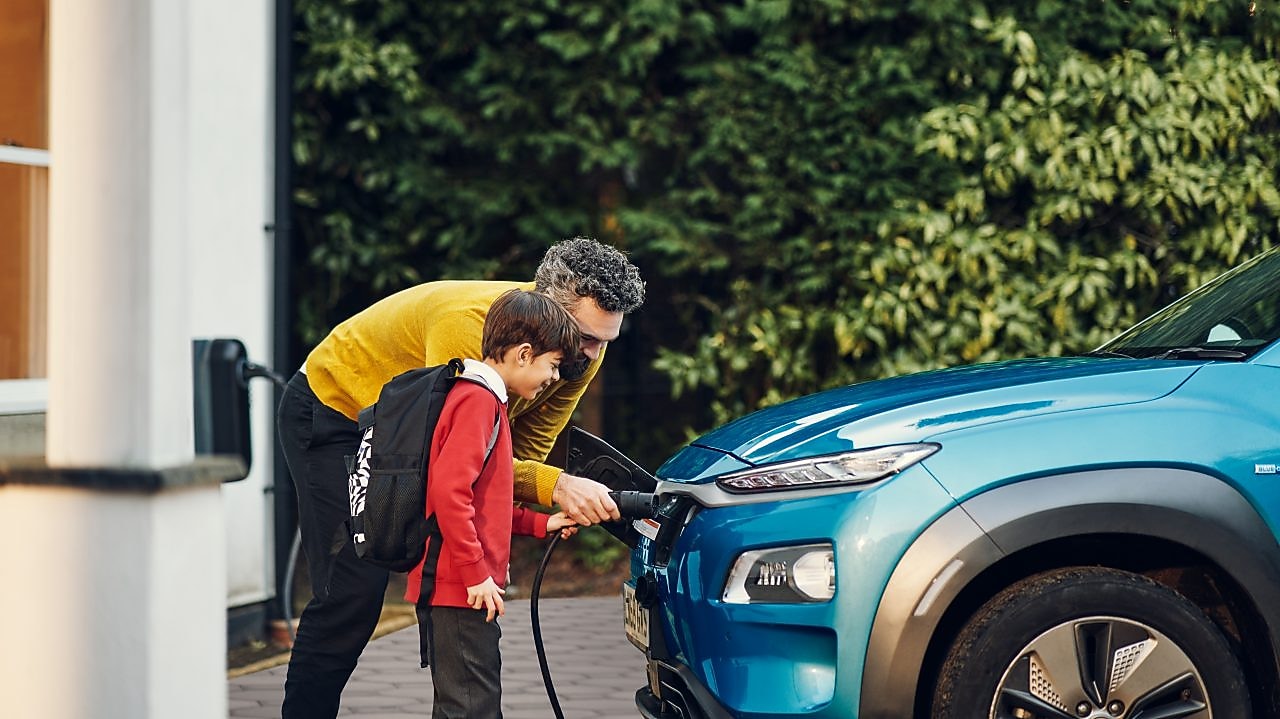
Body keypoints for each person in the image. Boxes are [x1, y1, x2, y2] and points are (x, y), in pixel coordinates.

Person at [276, 236, 645, 718]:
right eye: (585, 338)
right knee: (353, 590)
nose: (592, 356)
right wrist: (556, 486)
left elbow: (515, 454)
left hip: (408, 439)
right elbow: (445, 459)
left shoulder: (574, 354)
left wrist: (535, 510)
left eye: (605, 341)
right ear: (541, 316)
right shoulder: (470, 329)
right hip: (335, 411)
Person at [407, 289, 581, 718]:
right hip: (458, 586)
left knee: (463, 704)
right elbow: (450, 492)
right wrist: (475, 575)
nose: (554, 378)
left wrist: (543, 525)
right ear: (524, 354)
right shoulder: (476, 401)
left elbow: (488, 501)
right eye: (553, 365)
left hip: (462, 585)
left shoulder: (488, 402)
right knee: (473, 707)